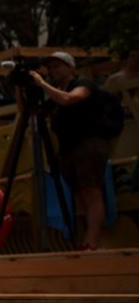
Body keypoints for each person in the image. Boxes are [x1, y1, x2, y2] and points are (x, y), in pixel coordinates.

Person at [31, 52, 109, 250]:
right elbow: (32, 111)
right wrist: (23, 88)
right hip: (67, 147)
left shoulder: (82, 84)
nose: (52, 71)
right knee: (80, 194)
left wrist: (42, 84)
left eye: (57, 66)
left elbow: (69, 99)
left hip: (87, 144)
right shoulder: (56, 92)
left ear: (70, 68)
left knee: (91, 191)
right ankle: (87, 239)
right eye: (50, 68)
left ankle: (91, 242)